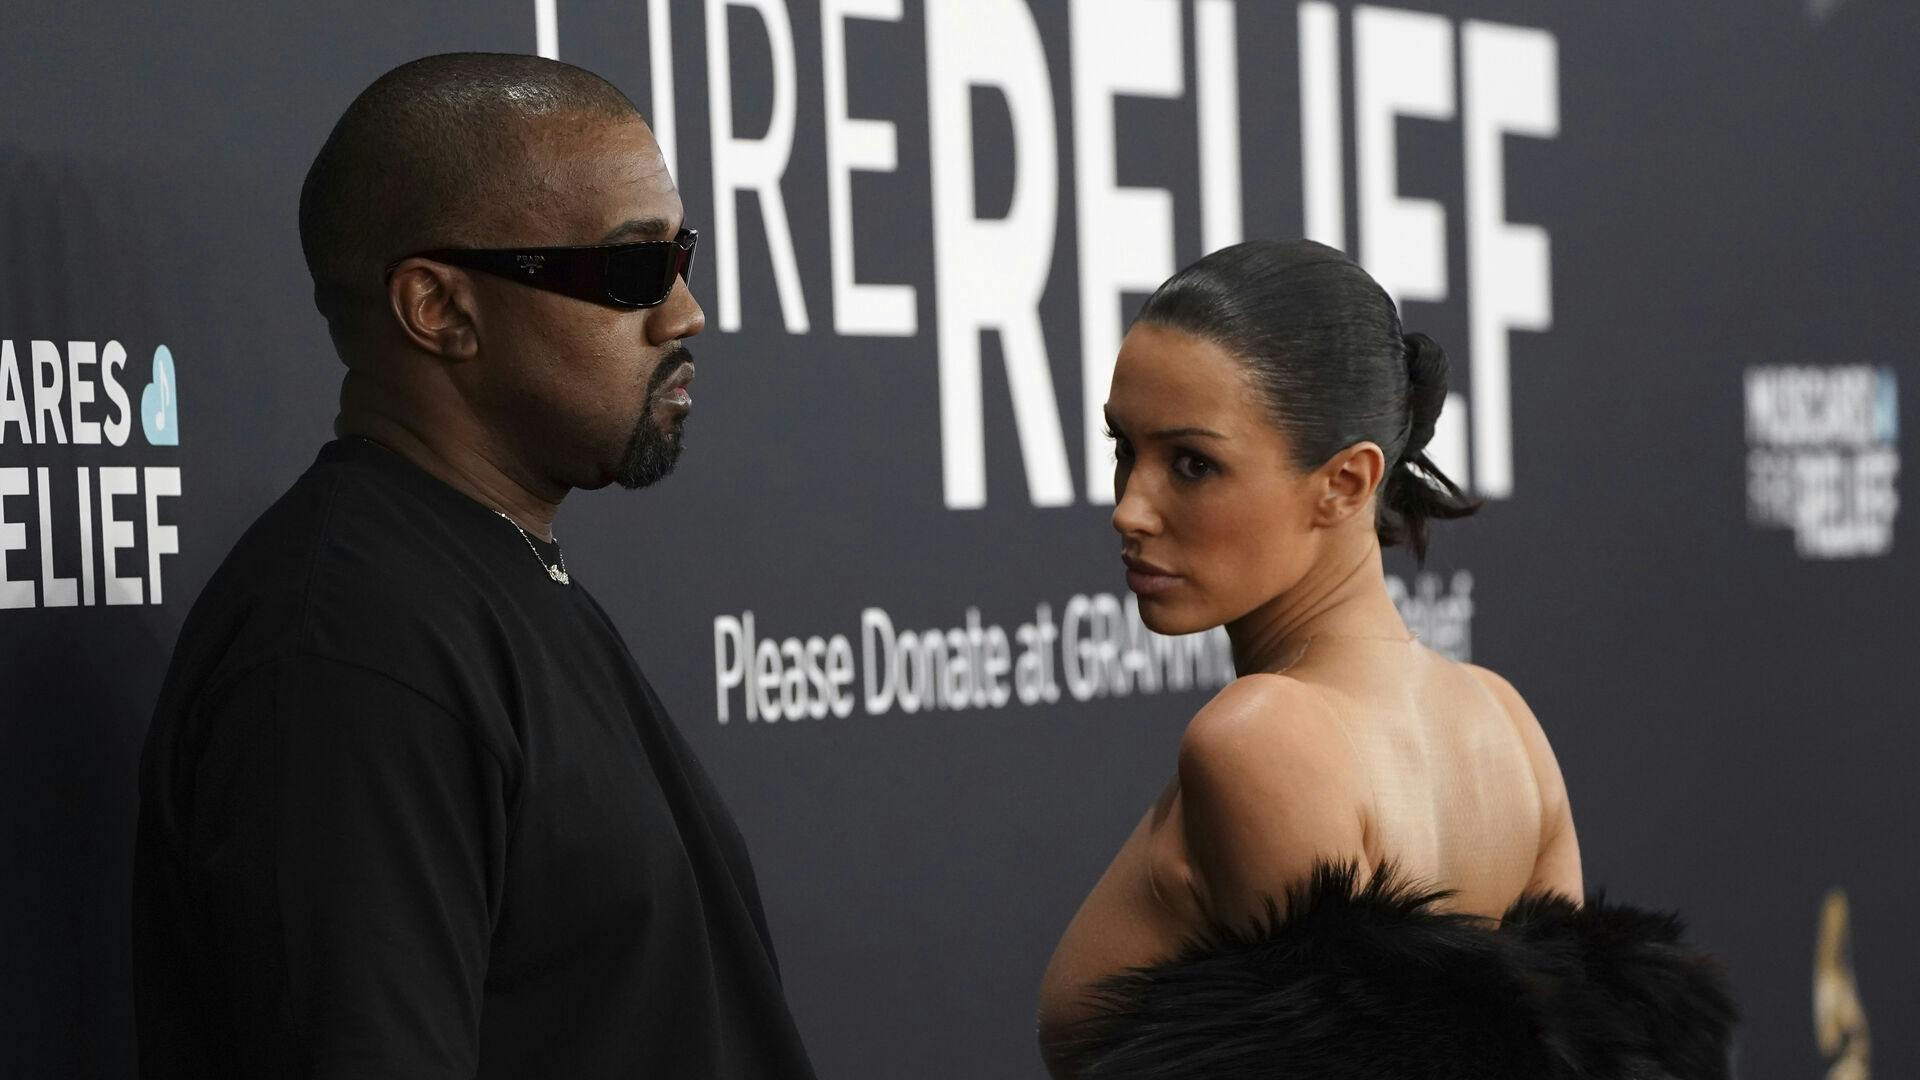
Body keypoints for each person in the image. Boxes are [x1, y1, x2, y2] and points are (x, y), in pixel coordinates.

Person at [132, 53, 815, 1079]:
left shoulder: (489, 574)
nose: (684, 315)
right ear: (439, 309)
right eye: (630, 272)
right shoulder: (352, 649)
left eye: (683, 260)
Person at [1036, 240, 1735, 1078]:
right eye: (1125, 450)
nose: (1130, 508)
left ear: (1346, 481)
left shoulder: (1259, 739)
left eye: (1193, 464)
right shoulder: (1504, 721)